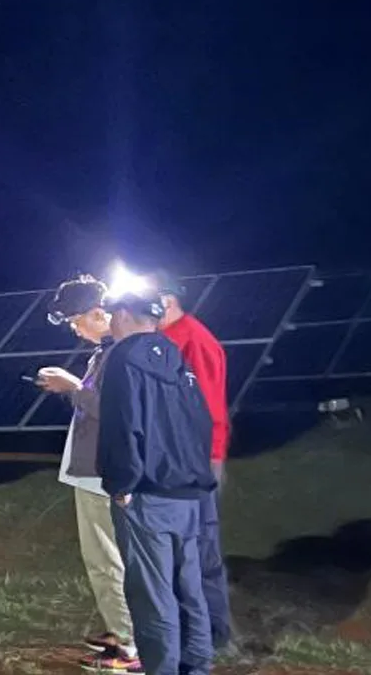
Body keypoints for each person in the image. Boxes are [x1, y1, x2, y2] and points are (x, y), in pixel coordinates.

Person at [97, 286, 219, 675]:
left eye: (114, 314)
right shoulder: (174, 358)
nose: (111, 322)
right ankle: (196, 666)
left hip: (147, 494)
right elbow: (200, 421)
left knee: (153, 595)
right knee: (189, 589)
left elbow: (122, 424)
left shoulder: (123, 358)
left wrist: (122, 484)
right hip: (188, 491)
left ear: (124, 315)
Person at [36, 274, 141, 673]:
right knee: (110, 559)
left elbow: (119, 414)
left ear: (99, 313)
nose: (75, 330)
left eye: (76, 321)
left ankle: (130, 650)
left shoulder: (121, 354)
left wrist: (72, 387)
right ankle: (123, 631)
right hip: (96, 471)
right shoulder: (109, 352)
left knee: (106, 561)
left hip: (102, 475)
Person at [145, 271, 237, 652]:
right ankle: (188, 627)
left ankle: (212, 635)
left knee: (199, 548)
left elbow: (205, 406)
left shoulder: (194, 339)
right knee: (178, 549)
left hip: (195, 458)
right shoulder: (163, 339)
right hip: (172, 456)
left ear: (166, 301)